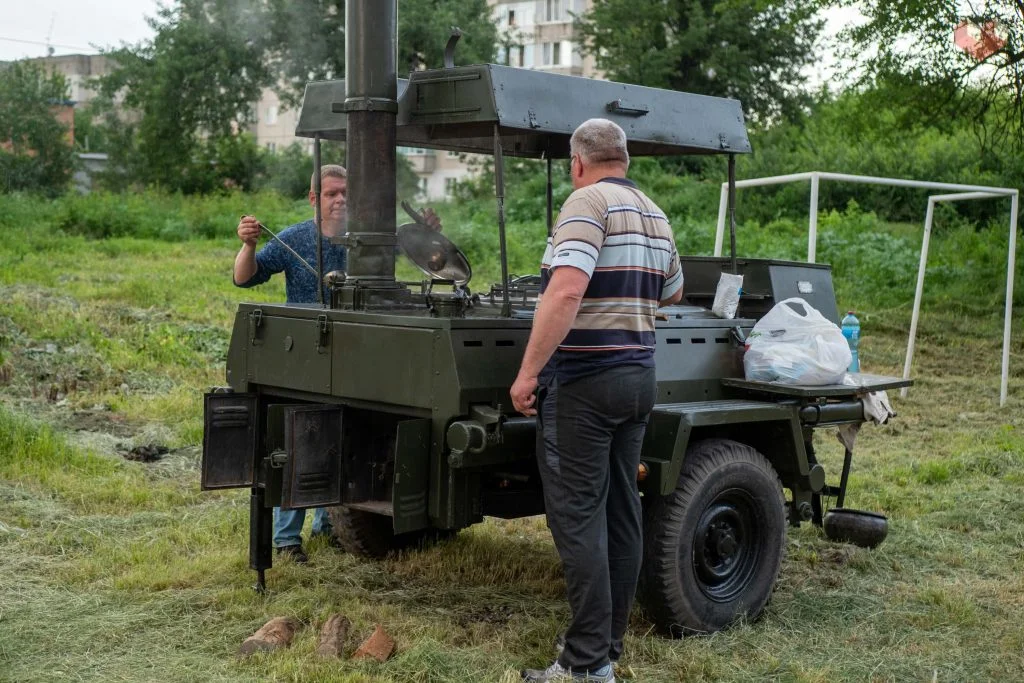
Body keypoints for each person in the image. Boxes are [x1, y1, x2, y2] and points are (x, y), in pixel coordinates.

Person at [510, 119, 683, 682]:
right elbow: (674, 290)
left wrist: (527, 372)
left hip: (584, 383)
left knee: (578, 517)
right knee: (621, 509)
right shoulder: (654, 212)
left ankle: (585, 665)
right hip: (638, 376)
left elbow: (565, 291)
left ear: (577, 161)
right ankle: (606, 647)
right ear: (624, 158)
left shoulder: (586, 203)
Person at [234, 163, 440, 563]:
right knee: (303, 441)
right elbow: (245, 277)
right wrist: (248, 245)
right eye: (331, 193)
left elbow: (425, 256)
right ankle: (287, 540)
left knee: (343, 439)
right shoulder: (295, 238)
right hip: (307, 353)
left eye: (347, 192)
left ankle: (328, 528)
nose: (341, 199)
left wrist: (427, 232)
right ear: (314, 199)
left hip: (358, 355)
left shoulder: (369, 241)